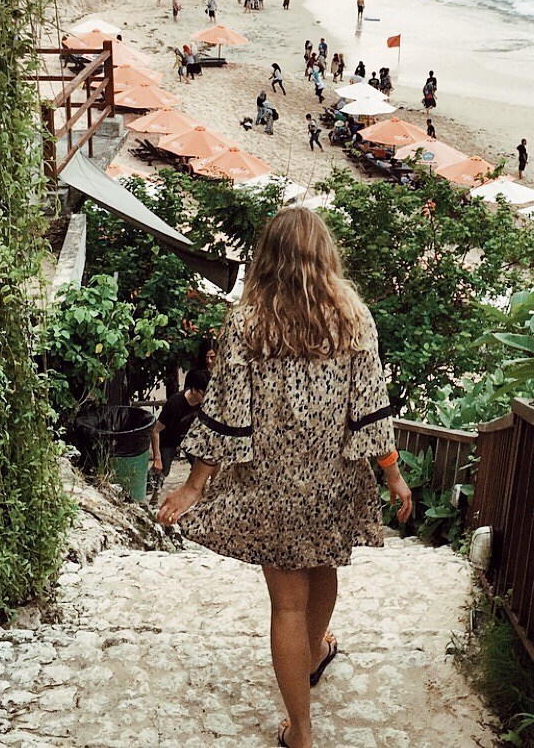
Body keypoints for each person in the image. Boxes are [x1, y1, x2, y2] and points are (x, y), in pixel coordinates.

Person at [158, 209, 413, 748]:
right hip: (333, 480)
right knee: (323, 570)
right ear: (324, 254)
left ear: (268, 256)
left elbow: (226, 409)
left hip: (270, 484)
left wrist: (195, 484)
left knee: (288, 606)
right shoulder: (353, 316)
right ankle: (314, 653)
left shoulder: (248, 323)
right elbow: (370, 404)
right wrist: (392, 473)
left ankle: (301, 730)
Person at [149, 368, 211, 485]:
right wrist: (157, 458)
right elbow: (155, 431)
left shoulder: (205, 404)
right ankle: (148, 487)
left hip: (189, 438)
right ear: (194, 390)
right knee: (161, 471)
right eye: (204, 395)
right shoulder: (175, 404)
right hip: (168, 440)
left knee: (200, 467)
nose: (207, 398)